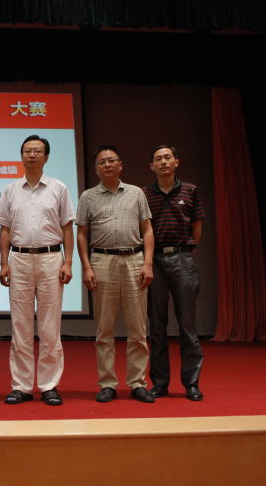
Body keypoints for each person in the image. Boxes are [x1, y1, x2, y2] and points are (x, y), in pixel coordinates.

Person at [0, 135, 75, 406]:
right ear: (21, 156)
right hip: (19, 259)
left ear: (46, 157)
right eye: (27, 151)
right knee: (21, 326)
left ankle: (49, 386)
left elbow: (67, 227)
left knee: (50, 327)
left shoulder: (59, 188)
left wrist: (68, 261)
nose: (32, 155)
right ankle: (22, 386)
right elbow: (4, 230)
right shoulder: (10, 190)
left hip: (51, 259)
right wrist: (3, 262)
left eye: (37, 151)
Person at [76, 145, 155, 404]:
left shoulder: (136, 193)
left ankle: (137, 383)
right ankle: (107, 383)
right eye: (102, 162)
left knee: (138, 329)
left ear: (120, 165)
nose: (107, 165)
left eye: (112, 160)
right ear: (96, 169)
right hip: (102, 261)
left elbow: (147, 230)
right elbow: (82, 234)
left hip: (134, 260)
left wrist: (148, 263)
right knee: (104, 330)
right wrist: (86, 267)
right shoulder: (88, 197)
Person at [143, 145, 205, 401]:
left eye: (168, 157)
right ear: (152, 166)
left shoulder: (190, 190)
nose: (163, 162)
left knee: (187, 324)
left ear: (176, 162)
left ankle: (191, 383)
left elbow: (197, 228)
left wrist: (185, 250)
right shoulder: (144, 194)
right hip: (154, 261)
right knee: (157, 326)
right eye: (158, 159)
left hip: (182, 258)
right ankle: (159, 383)